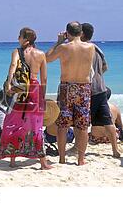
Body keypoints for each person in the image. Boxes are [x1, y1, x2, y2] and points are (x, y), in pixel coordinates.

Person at [0, 28, 53, 170]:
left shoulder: (17, 51)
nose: (18, 39)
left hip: (20, 89)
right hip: (34, 89)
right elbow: (44, 78)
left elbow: (12, 66)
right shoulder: (41, 54)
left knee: (13, 122)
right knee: (36, 125)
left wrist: (9, 83)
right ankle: (43, 163)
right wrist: (42, 97)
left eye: (20, 36)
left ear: (26, 40)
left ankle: (12, 160)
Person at [46, 21, 95, 165]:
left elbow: (47, 59)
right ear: (81, 33)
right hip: (84, 87)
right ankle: (81, 159)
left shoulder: (63, 47)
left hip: (66, 87)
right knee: (82, 125)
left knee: (63, 125)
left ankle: (62, 158)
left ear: (67, 33)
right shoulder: (90, 47)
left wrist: (58, 42)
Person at [80, 23, 120, 157]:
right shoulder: (98, 48)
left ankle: (78, 148)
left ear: (81, 34)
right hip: (101, 88)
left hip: (89, 89)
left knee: (83, 122)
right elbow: (105, 67)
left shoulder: (84, 49)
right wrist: (98, 76)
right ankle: (115, 150)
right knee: (107, 120)